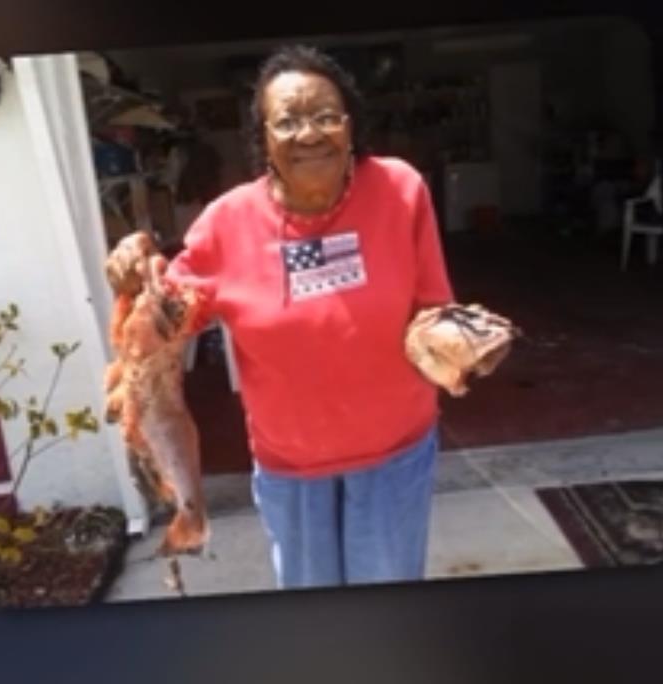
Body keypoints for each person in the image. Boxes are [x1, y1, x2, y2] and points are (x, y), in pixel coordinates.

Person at [165, 45, 454, 589]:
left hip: (395, 452)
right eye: (287, 121)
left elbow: (432, 307)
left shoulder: (399, 190)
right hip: (291, 464)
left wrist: (462, 343)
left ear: (350, 126)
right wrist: (136, 275)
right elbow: (165, 319)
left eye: (325, 116)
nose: (309, 134)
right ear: (263, 138)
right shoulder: (227, 221)